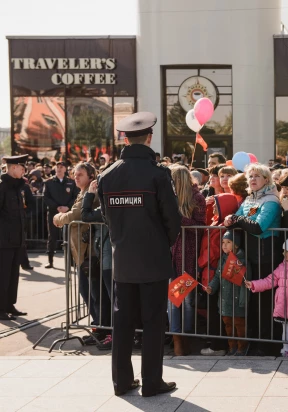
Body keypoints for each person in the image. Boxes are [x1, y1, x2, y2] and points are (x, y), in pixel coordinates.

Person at [98, 112, 181, 397]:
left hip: (123, 259)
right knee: (153, 322)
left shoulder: (106, 176)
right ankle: (151, 381)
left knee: (122, 324)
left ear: (125, 138)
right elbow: (173, 219)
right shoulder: (158, 174)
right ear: (149, 137)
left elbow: (108, 218)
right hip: (153, 260)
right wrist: (162, 243)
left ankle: (122, 382)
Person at [223, 163, 282, 355]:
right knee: (251, 301)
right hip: (250, 256)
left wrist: (237, 219)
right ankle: (254, 342)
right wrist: (230, 219)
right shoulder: (249, 199)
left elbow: (258, 227)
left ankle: (266, 344)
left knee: (264, 302)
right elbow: (238, 220)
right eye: (250, 176)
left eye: (258, 176)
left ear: (266, 179)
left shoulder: (272, 201)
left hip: (266, 256)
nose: (253, 179)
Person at [54, 163, 106, 338]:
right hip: (82, 253)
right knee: (88, 292)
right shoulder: (82, 193)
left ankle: (101, 328)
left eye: (80, 174)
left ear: (91, 176)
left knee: (93, 293)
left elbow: (74, 215)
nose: (76, 177)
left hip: (90, 252)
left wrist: (58, 217)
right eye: (75, 174)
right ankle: (98, 326)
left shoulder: (92, 193)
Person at [246, 236, 288, 357]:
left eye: (286, 251)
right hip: (283, 305)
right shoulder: (282, 267)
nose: (283, 253)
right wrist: (254, 284)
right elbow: (270, 280)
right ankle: (286, 350)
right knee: (285, 330)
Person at [168, 164, 207, 355]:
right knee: (174, 298)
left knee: (187, 299)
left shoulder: (197, 198)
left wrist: (180, 218)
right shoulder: (169, 198)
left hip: (188, 253)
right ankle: (176, 338)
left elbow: (201, 226)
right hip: (170, 253)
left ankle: (187, 335)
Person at [80, 178, 114, 350]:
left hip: (109, 260)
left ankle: (113, 335)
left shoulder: (109, 206)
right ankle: (110, 333)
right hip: (108, 258)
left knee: (113, 299)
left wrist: (89, 195)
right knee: (108, 299)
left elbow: (84, 215)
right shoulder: (114, 203)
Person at [205, 230, 251, 356]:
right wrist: (211, 288)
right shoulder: (222, 260)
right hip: (225, 300)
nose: (224, 245)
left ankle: (242, 347)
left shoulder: (242, 261)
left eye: (228, 242)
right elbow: (217, 277)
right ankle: (232, 347)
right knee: (228, 325)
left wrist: (243, 300)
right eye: (223, 242)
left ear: (236, 245)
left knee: (239, 325)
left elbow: (245, 283)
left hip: (237, 301)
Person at [0, 155, 29, 321]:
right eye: (21, 167)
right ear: (12, 168)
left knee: (13, 275)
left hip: (17, 239)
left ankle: (9, 304)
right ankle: (1, 308)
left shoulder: (17, 187)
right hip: (4, 240)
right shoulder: (2, 187)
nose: (23, 170)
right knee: (3, 276)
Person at [43, 161, 79, 268]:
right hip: (54, 212)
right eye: (57, 167)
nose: (59, 168)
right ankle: (50, 260)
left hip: (68, 212)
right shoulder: (49, 182)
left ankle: (72, 261)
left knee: (69, 236)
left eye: (61, 167)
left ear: (65, 169)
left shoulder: (71, 182)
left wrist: (68, 207)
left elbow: (76, 197)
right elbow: (46, 197)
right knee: (52, 236)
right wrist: (57, 207)